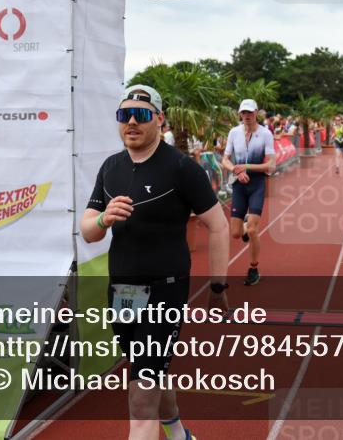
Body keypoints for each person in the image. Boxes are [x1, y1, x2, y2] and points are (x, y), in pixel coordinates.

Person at [80, 84, 228, 440]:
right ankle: (179, 433)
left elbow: (219, 226)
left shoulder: (181, 167)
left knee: (140, 398)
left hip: (165, 291)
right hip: (122, 292)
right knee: (148, 372)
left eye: (141, 115)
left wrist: (219, 286)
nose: (131, 121)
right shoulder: (110, 167)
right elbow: (88, 231)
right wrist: (102, 220)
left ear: (159, 119)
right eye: (124, 115)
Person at [221, 98, 276, 287]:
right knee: (236, 234)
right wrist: (236, 170)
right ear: (239, 114)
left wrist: (246, 166)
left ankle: (253, 269)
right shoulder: (233, 132)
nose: (246, 116)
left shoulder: (265, 134)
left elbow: (271, 164)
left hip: (257, 184)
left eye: (250, 113)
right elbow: (225, 160)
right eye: (243, 113)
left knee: (253, 230)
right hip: (238, 185)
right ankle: (244, 226)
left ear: (256, 113)